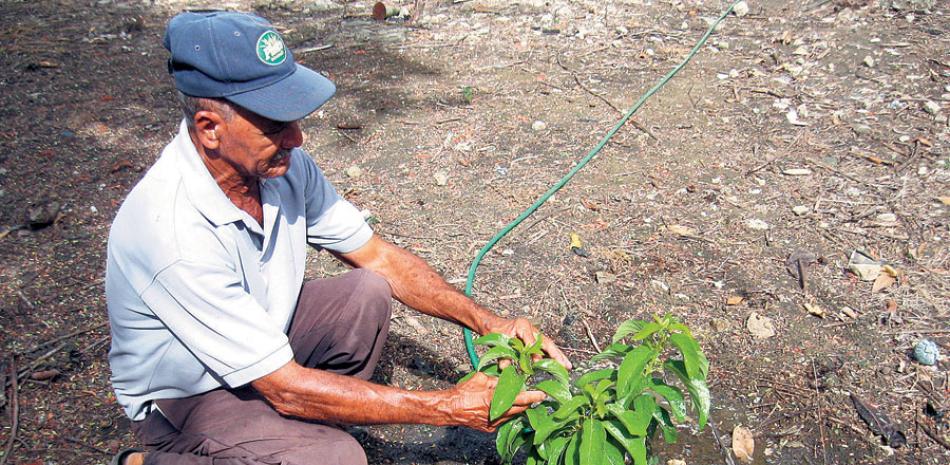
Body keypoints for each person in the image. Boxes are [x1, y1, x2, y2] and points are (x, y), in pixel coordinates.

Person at [105, 11, 571, 465]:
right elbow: (284, 386)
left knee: (366, 292)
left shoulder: (279, 167)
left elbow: (379, 259)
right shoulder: (170, 231)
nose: (297, 138)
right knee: (336, 459)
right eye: (274, 125)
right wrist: (445, 406)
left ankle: (290, 431)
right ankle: (162, 457)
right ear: (210, 129)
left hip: (259, 340)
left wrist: (486, 321)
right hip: (186, 396)